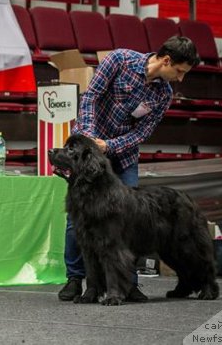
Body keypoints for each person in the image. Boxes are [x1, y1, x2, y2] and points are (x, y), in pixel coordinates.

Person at [58, 36, 200, 302]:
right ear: (167, 60)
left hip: (123, 155)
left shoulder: (163, 94)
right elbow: (90, 98)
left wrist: (109, 145)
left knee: (131, 220)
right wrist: (90, 140)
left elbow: (142, 132)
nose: (180, 79)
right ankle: (75, 279)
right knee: (78, 219)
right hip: (87, 151)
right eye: (179, 72)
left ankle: (127, 284)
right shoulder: (119, 60)